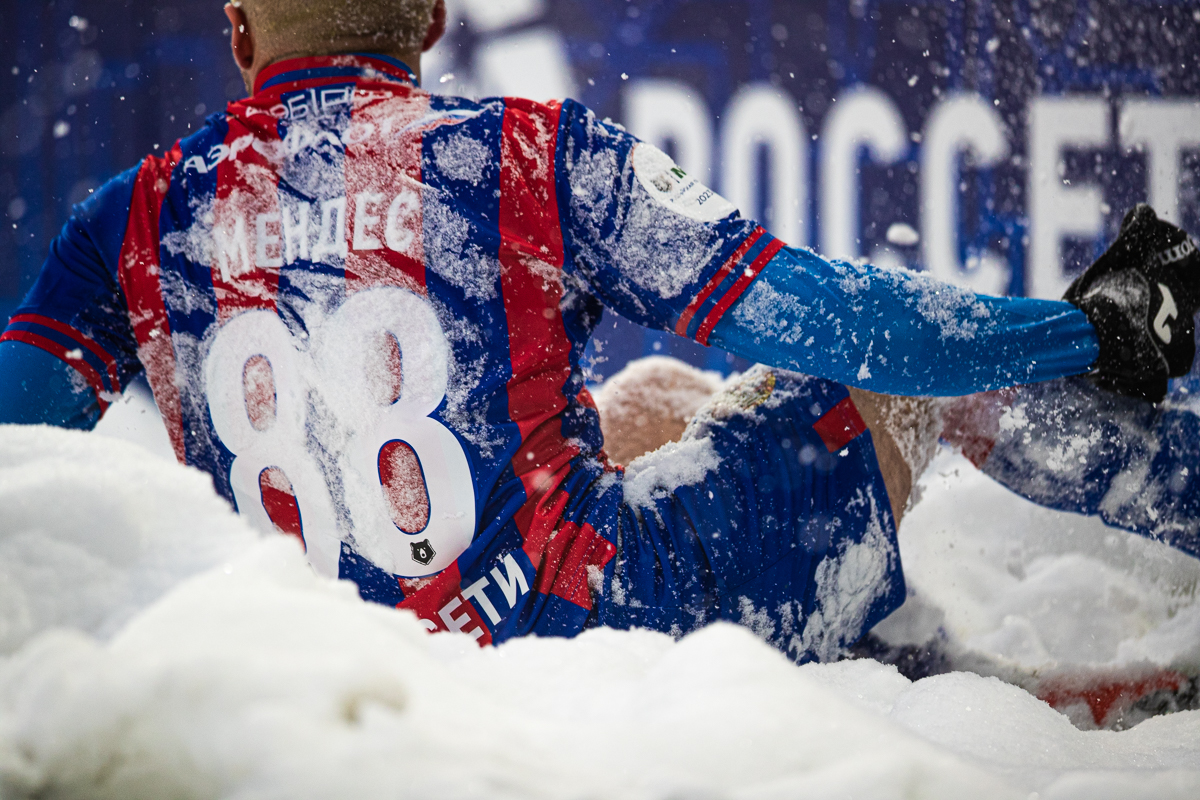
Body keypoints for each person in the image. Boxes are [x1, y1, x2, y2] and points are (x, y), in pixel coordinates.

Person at [0, 0, 1195, 663]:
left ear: (239, 33)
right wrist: (1085, 330)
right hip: (574, 649)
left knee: (657, 404)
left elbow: (15, 455)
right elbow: (855, 327)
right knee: (911, 385)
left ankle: (885, 642)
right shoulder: (527, 156)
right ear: (431, 16)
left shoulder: (132, 214)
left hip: (325, 667)